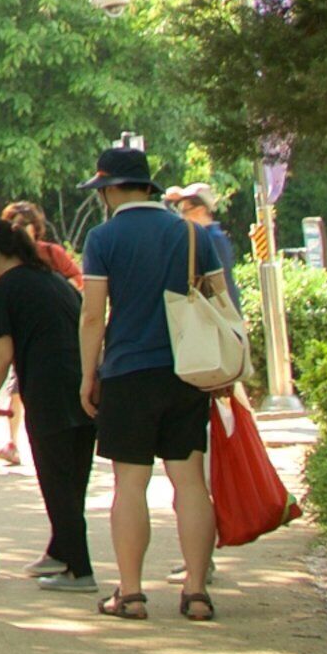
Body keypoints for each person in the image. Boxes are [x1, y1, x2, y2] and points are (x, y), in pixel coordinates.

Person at [78, 144, 237, 622]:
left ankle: (130, 594)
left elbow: (93, 315)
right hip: (188, 371)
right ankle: (196, 592)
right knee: (189, 481)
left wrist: (88, 374)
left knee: (130, 482)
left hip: (128, 372)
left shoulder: (103, 238)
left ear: (109, 190)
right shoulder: (191, 233)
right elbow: (222, 301)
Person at [0, 218, 95, 590]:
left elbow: (3, 352)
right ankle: (61, 551)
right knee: (74, 480)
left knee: (56, 482)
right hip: (84, 385)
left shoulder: (1, 290)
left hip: (47, 389)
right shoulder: (56, 280)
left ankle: (81, 571)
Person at [0, 200, 81, 465]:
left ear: (36, 227)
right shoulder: (6, 261)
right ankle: (13, 442)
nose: (17, 229)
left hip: (58, 335)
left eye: (23, 224)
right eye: (12, 224)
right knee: (17, 388)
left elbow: (78, 281)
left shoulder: (52, 253)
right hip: (23, 337)